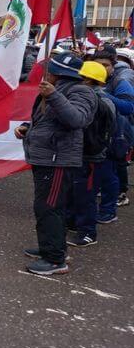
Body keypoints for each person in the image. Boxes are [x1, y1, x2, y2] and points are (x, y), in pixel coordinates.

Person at [15, 53, 96, 275]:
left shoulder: (81, 92)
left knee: (49, 208)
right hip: (45, 157)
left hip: (57, 160)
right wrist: (26, 128)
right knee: (46, 207)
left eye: (50, 71)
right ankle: (50, 248)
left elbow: (77, 120)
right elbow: (44, 120)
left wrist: (54, 96)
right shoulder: (51, 91)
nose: (46, 74)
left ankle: (55, 260)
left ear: (59, 74)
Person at [66, 60, 112, 247]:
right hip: (86, 154)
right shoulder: (102, 100)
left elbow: (96, 132)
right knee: (77, 191)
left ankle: (88, 232)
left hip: (90, 155)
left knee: (86, 195)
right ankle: (75, 223)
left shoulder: (99, 103)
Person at [92, 45, 134, 219]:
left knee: (109, 174)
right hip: (94, 135)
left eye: (105, 65)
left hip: (116, 134)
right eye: (97, 64)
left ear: (113, 66)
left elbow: (128, 107)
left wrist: (102, 95)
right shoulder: (88, 79)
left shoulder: (119, 82)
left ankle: (109, 211)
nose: (101, 68)